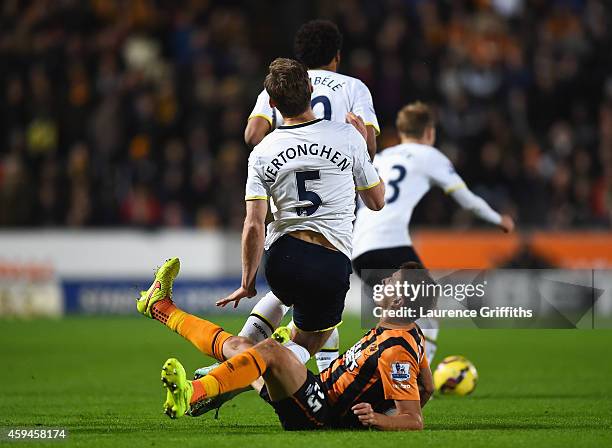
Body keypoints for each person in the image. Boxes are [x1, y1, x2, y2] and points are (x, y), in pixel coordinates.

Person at [136, 257, 435, 430]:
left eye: (392, 280)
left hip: (320, 410)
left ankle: (194, 392)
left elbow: (414, 419)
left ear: (398, 299)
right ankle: (161, 309)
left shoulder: (396, 349)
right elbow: (428, 388)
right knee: (245, 348)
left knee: (267, 351)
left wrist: (379, 419)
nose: (383, 282)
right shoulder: (407, 333)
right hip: (316, 390)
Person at [236, 20, 381, 374]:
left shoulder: (278, 87)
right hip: (332, 219)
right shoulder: (353, 88)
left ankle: (236, 352)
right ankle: (295, 368)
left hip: (283, 242)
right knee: (317, 318)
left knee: (291, 292)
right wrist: (352, 143)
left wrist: (283, 146)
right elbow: (372, 156)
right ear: (337, 56)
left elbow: (252, 134)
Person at [352, 101, 515, 361]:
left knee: (392, 319)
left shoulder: (381, 157)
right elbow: (466, 199)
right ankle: (417, 382)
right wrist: (499, 219)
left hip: (359, 248)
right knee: (426, 312)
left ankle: (374, 376)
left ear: (402, 130)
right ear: (429, 132)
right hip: (389, 243)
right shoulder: (429, 156)